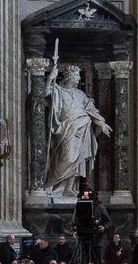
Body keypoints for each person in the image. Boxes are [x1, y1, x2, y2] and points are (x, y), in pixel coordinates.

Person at [44, 63, 112, 197]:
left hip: (83, 128)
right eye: (76, 75)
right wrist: (50, 78)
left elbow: (91, 110)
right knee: (68, 158)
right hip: (66, 129)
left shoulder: (80, 94)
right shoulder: (58, 90)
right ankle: (50, 183)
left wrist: (102, 124)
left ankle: (68, 188)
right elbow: (44, 93)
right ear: (69, 76)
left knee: (79, 159)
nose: (79, 78)